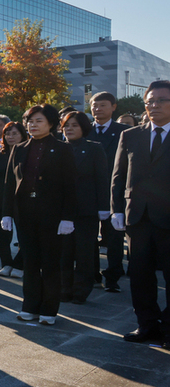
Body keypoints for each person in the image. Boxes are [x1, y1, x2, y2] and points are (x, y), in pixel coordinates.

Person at [2, 104, 77, 326]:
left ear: (51, 124)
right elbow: (9, 183)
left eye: (38, 121)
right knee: (30, 261)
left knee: (50, 263)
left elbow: (71, 186)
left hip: (52, 214)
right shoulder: (20, 148)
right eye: (30, 121)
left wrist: (67, 217)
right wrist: (7, 213)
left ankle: (49, 309)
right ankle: (30, 306)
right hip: (25, 212)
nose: (33, 125)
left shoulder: (63, 149)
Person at [111, 80, 170, 348]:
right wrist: (116, 210)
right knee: (140, 274)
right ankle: (146, 324)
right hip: (138, 217)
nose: (154, 105)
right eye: (149, 101)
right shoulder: (131, 135)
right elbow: (118, 176)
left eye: (161, 100)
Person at [59, 111, 110, 304]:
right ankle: (64, 289)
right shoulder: (57, 148)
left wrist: (104, 207)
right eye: (66, 125)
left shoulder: (94, 149)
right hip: (61, 210)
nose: (69, 129)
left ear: (84, 128)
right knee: (63, 253)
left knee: (84, 253)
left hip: (86, 210)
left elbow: (101, 180)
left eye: (74, 125)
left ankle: (80, 291)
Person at [87, 91, 130, 292]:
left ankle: (112, 276)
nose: (97, 109)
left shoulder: (125, 131)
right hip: (89, 191)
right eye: (94, 105)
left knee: (113, 237)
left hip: (114, 192)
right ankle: (93, 274)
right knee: (89, 236)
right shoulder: (84, 130)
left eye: (102, 105)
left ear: (113, 107)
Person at [0, 121, 26, 278]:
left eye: (15, 133)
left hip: (22, 200)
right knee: (2, 236)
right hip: (0, 201)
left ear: (22, 135)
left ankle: (19, 264)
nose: (10, 137)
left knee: (24, 235)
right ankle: (6, 263)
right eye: (7, 134)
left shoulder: (27, 153)